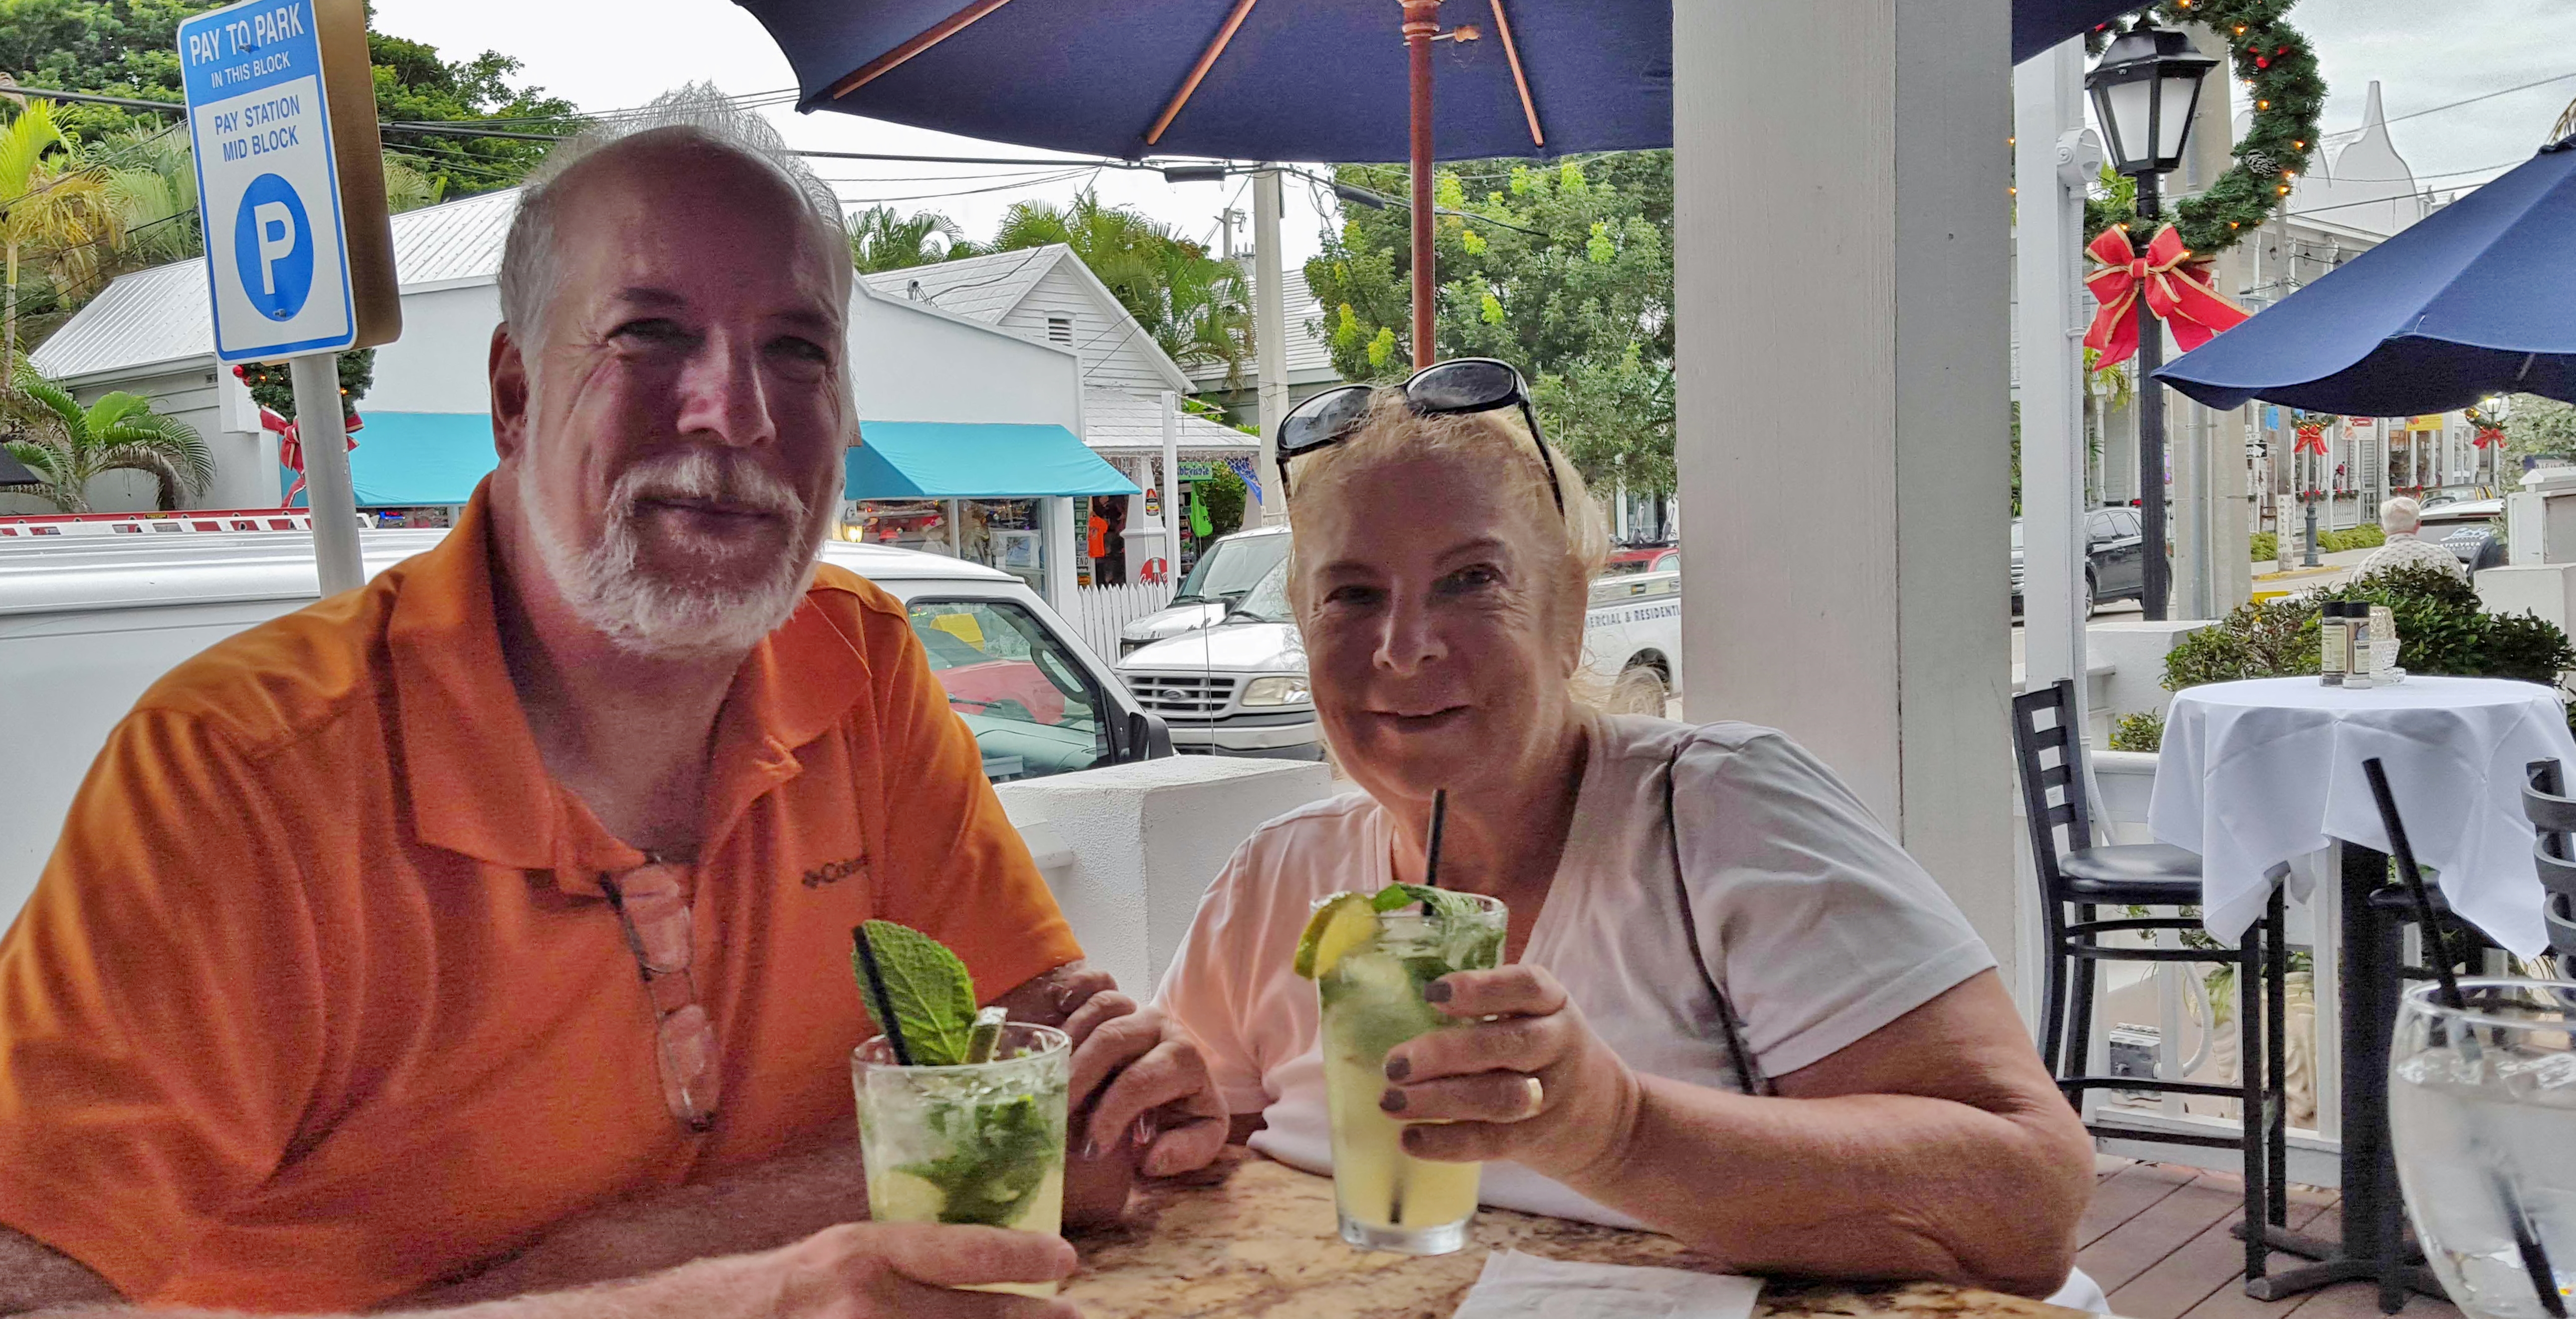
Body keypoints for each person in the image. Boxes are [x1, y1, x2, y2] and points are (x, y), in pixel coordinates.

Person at [0, 88, 1223, 1319]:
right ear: (515, 395)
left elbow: (1026, 1057)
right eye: (649, 332)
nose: (735, 413)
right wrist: (735, 1292)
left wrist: (1129, 1081)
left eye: (798, 348)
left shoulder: (857, 659)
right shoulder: (239, 768)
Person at [1154, 368, 2098, 1301]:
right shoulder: (1277, 875)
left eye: (1469, 580)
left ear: (1567, 613)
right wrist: (1120, 1133)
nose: (1404, 646)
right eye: (1351, 595)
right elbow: (1197, 1164)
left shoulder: (1720, 812)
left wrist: (1614, 1129)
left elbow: (2027, 1205)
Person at [2353, 496, 2470, 581]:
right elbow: (2464, 595)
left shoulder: (2368, 566)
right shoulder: (2443, 557)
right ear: (2418, 524)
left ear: (2383, 527)